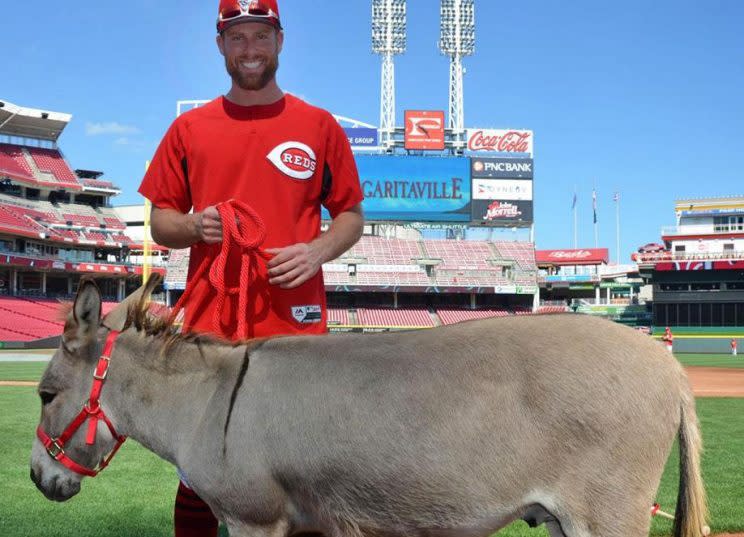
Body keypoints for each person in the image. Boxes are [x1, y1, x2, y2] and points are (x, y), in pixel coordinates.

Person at [138, 1, 364, 535]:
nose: (250, 50)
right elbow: (160, 222)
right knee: (199, 467)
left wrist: (317, 250)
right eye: (237, 38)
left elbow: (351, 216)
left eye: (260, 36)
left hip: (296, 320)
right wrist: (196, 226)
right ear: (220, 45)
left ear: (280, 41)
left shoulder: (318, 124)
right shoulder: (189, 128)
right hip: (211, 319)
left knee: (304, 465)